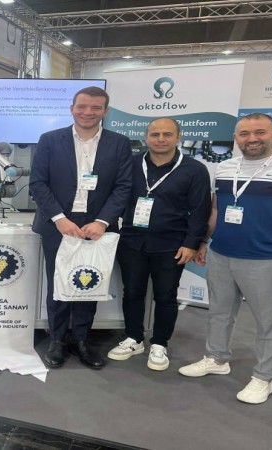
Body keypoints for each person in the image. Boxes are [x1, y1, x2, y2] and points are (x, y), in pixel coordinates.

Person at [179, 113, 272, 404]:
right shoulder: (225, 167)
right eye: (244, 134)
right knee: (219, 313)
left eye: (260, 132)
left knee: (270, 322)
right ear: (236, 138)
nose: (252, 139)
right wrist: (205, 241)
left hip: (269, 259)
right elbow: (217, 210)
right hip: (222, 254)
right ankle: (216, 359)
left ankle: (263, 378)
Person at [30, 86, 132, 370]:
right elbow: (38, 183)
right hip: (58, 224)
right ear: (72, 108)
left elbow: (124, 186)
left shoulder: (119, 143)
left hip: (97, 224)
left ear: (105, 111)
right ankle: (57, 339)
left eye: (96, 107)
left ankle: (82, 339)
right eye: (82, 106)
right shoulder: (50, 140)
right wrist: (59, 218)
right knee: (59, 283)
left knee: (89, 282)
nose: (88, 112)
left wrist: (102, 221)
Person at [108, 117, 211, 371]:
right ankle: (133, 338)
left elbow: (200, 210)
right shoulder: (131, 164)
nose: (161, 139)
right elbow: (116, 197)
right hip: (132, 241)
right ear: (146, 137)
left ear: (178, 137)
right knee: (132, 292)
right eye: (155, 135)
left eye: (167, 134)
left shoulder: (194, 169)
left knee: (166, 296)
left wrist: (192, 243)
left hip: (172, 245)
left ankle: (159, 343)